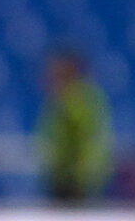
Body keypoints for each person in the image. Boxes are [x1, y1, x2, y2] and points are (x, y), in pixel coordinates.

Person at [37, 49, 111, 204]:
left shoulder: (80, 99)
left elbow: (87, 137)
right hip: (60, 174)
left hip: (77, 177)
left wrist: (83, 172)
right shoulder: (57, 100)